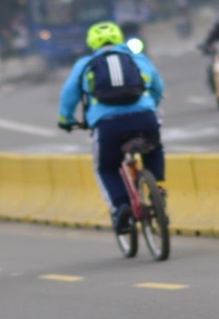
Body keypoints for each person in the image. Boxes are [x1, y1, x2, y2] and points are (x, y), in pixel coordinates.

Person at [56, 22, 165, 234]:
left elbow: (69, 95)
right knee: (155, 147)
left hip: (108, 126)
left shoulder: (86, 63)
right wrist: (149, 106)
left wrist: (65, 120)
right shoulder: (137, 58)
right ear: (119, 39)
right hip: (145, 118)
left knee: (106, 167)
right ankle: (158, 187)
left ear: (92, 43)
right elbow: (158, 86)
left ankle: (121, 205)